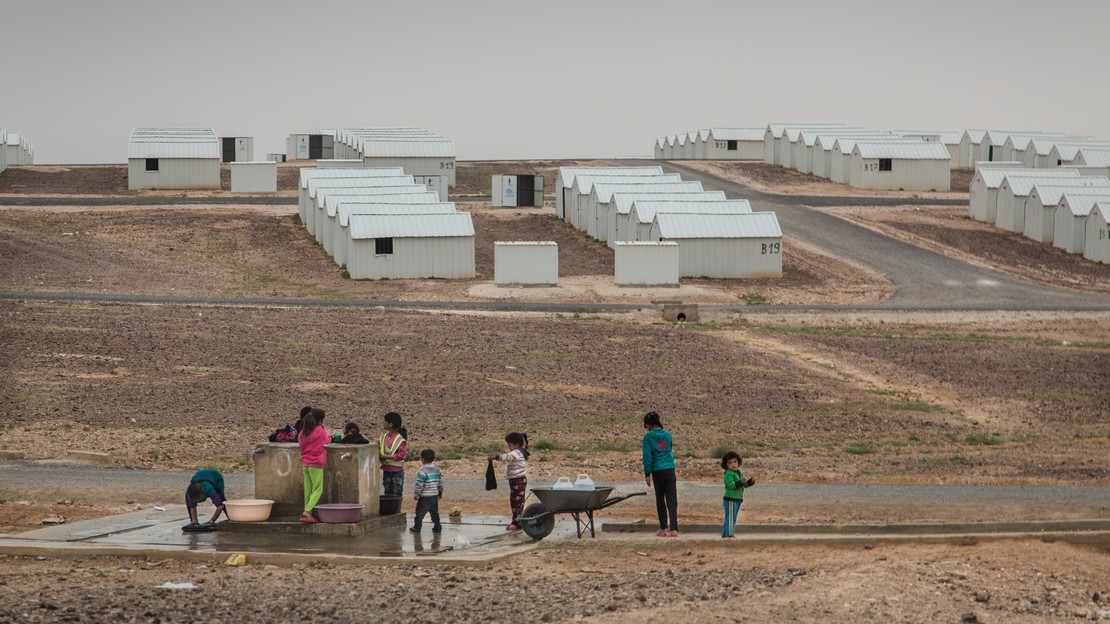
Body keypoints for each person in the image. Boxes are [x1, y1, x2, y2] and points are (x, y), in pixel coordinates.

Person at [642, 411, 678, 537]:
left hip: (657, 471)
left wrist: (647, 473)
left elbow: (647, 457)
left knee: (660, 500)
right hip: (669, 469)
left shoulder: (647, 438)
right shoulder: (667, 435)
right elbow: (669, 450)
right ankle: (674, 529)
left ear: (648, 425)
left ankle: (663, 528)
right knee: (672, 500)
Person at [488, 432, 529, 531]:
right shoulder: (518, 452)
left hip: (518, 480)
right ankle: (518, 519)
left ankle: (517, 522)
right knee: (515, 501)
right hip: (515, 481)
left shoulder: (517, 453)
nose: (509, 447)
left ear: (516, 445)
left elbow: (507, 456)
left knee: (517, 502)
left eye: (509, 445)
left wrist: (496, 457)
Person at [298, 408, 330, 523]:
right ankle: (307, 511)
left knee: (308, 489)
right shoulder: (321, 431)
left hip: (305, 464)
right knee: (317, 489)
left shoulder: (302, 432)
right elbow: (328, 440)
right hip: (316, 464)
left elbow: (301, 444)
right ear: (321, 420)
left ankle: (308, 513)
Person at [720, 450, 755, 538]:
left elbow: (745, 484)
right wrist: (740, 482)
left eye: (735, 462)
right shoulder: (728, 474)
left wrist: (751, 481)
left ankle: (725, 534)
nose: (733, 464)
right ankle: (730, 534)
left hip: (737, 499)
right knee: (731, 517)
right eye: (730, 463)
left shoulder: (739, 473)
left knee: (732, 517)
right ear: (726, 465)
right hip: (730, 499)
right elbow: (732, 485)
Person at [409, 449, 443, 533]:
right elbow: (440, 483)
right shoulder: (437, 470)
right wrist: (440, 492)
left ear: (422, 459)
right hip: (434, 496)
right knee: (434, 512)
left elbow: (419, 484)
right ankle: (437, 526)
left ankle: (417, 527)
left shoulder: (422, 471)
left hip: (425, 496)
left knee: (420, 512)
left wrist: (416, 494)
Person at [379, 412, 408, 498]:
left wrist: (386, 457)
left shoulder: (399, 439)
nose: (383, 422)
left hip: (397, 472)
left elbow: (401, 455)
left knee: (396, 494)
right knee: (387, 493)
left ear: (390, 424)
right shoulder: (383, 437)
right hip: (387, 470)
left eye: (385, 421)